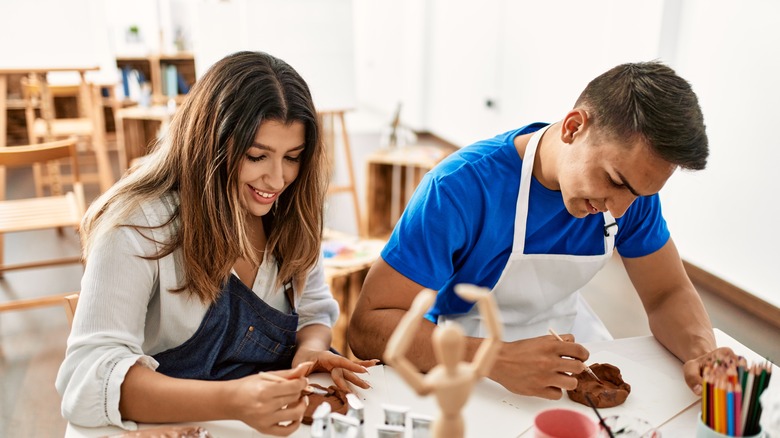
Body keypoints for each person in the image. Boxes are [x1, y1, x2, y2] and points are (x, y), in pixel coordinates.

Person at [349, 61, 736, 400]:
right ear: (573, 127)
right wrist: (494, 358)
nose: (618, 208)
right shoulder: (459, 189)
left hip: (571, 348)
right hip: (463, 360)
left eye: (639, 193)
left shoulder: (631, 194)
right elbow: (369, 325)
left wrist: (703, 354)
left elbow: (667, 292)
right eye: (614, 181)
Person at [56, 51, 376, 436]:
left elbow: (313, 313)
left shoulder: (291, 214)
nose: (277, 180)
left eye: (292, 158)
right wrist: (234, 400)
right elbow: (88, 381)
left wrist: (308, 351)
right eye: (257, 156)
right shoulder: (136, 224)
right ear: (209, 145)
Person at [384, 284, 502, 438]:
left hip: (443, 426)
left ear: (437, 349)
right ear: (461, 347)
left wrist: (415, 313)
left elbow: (393, 356)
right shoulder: (471, 373)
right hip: (458, 425)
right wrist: (485, 299)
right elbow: (495, 339)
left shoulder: (437, 379)